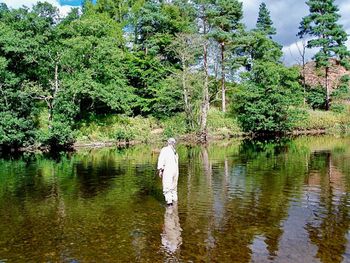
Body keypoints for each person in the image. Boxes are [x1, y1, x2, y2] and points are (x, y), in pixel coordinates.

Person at [157, 138, 179, 205]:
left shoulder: (165, 150)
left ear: (168, 142)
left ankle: (169, 202)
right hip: (175, 170)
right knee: (174, 186)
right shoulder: (174, 151)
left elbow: (161, 160)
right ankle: (175, 201)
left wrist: (160, 170)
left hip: (168, 169)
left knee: (167, 185)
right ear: (174, 143)